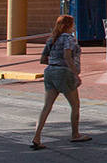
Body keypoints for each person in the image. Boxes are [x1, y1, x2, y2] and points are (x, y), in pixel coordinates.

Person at [31, 14, 92, 148]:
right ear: (69, 26)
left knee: (47, 106)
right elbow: (67, 55)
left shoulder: (52, 39)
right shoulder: (68, 39)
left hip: (50, 71)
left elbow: (43, 59)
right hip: (64, 72)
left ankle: (37, 136)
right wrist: (75, 74)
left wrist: (54, 61)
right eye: (72, 24)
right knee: (75, 105)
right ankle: (75, 134)